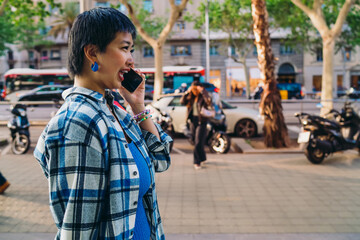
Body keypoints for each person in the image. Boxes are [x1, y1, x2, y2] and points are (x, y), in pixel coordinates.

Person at [34, 7, 172, 240]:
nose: (131, 60)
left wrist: (138, 106)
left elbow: (160, 159)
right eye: (124, 48)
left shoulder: (113, 110)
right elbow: (77, 232)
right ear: (92, 53)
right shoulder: (79, 123)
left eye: (131, 49)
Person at [180, 81, 213, 170]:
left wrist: (203, 92)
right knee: (196, 141)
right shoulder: (191, 96)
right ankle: (203, 157)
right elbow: (182, 101)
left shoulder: (203, 96)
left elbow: (209, 102)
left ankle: (196, 161)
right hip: (192, 121)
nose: (195, 90)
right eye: (194, 88)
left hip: (202, 121)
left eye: (196, 88)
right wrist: (187, 91)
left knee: (198, 141)